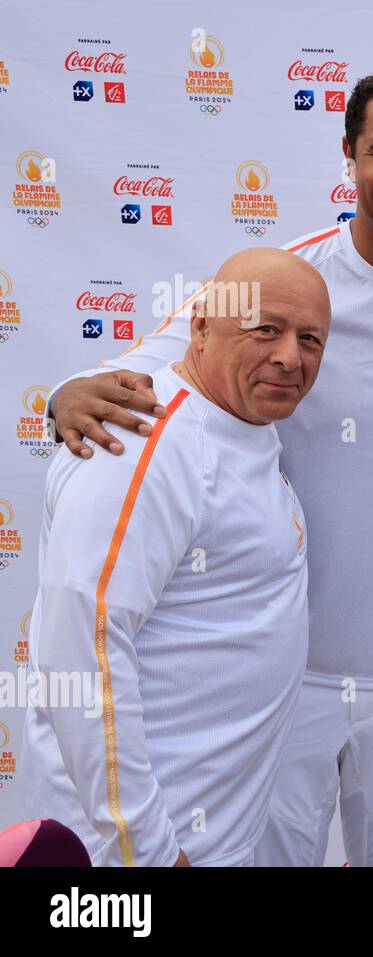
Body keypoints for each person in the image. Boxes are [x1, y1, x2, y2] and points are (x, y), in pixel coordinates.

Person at [45, 63, 373, 866]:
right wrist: (62, 393)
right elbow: (139, 378)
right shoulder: (284, 286)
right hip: (281, 684)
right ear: (349, 155)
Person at [25, 248, 330, 866]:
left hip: (211, 839)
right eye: (265, 328)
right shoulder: (142, 444)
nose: (289, 356)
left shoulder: (238, 423)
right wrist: (147, 851)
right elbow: (84, 657)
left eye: (310, 339)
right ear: (199, 327)